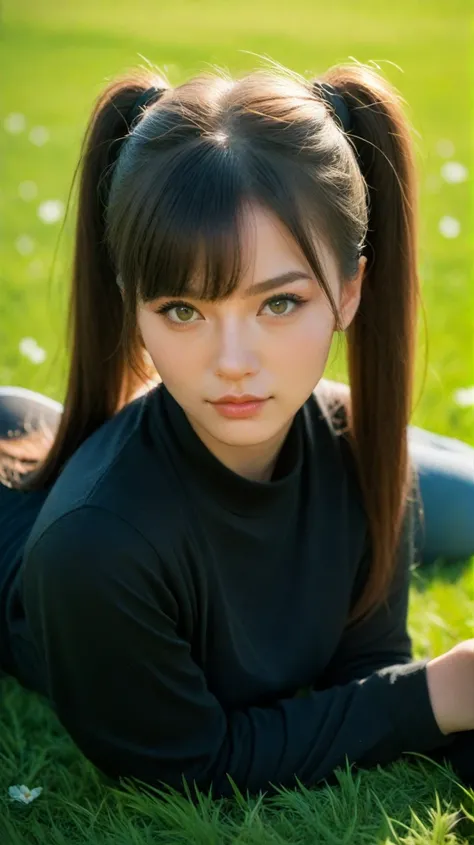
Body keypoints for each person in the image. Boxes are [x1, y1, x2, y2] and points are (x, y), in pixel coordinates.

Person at [0, 60, 473, 800]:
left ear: (349, 290)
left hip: (261, 424)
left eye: (278, 304)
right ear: (133, 304)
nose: (233, 366)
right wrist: (442, 693)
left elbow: (361, 672)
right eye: (184, 310)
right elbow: (187, 765)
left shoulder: (357, 443)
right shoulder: (93, 551)